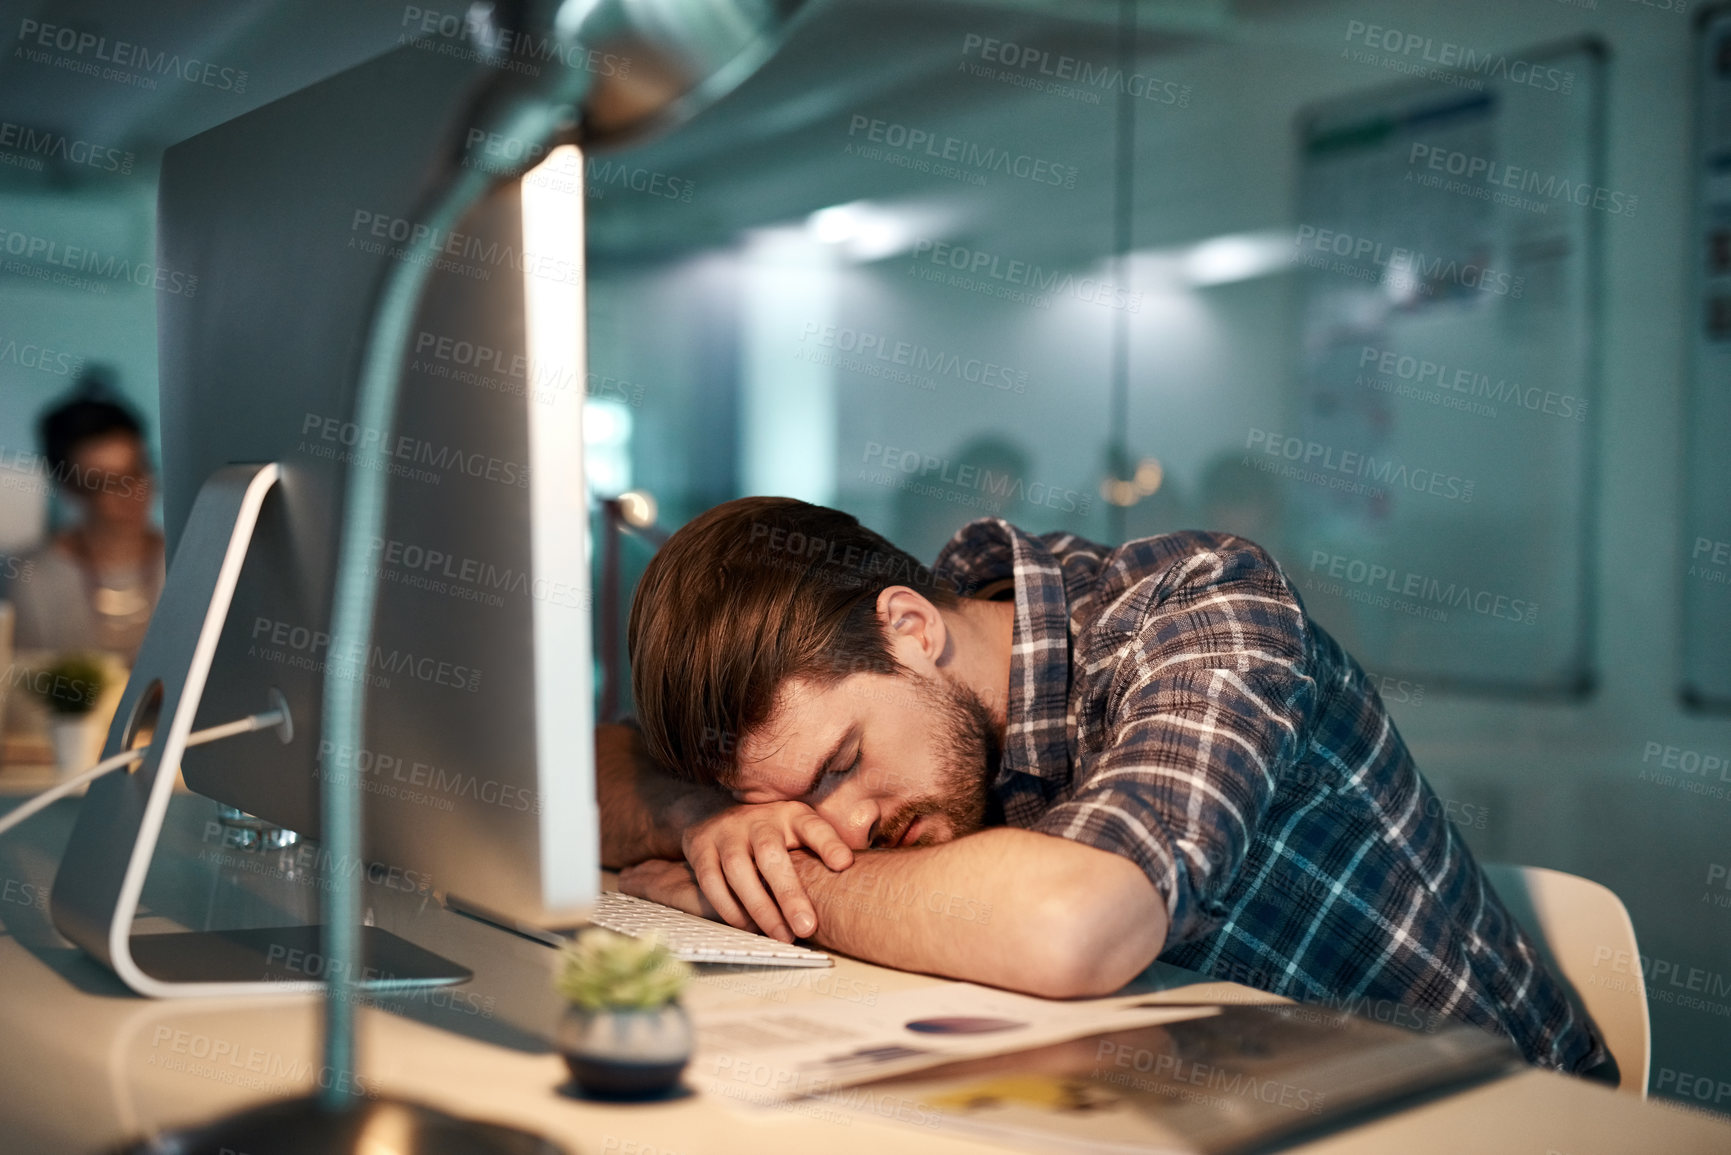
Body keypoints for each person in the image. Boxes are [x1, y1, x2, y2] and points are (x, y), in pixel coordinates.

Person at [598, 496, 1608, 1076]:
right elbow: (580, 773)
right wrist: (706, 819)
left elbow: (1078, 927)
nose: (843, 828)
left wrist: (788, 890)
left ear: (909, 626)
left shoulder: (1203, 610)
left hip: (1490, 1114)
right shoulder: (867, 694)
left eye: (841, 769)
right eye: (794, 811)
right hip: (1210, 1099)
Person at [8, 380, 165, 664]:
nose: (130, 493)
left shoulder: (187, 562)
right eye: (104, 483)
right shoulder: (31, 578)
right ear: (69, 486)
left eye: (136, 472)